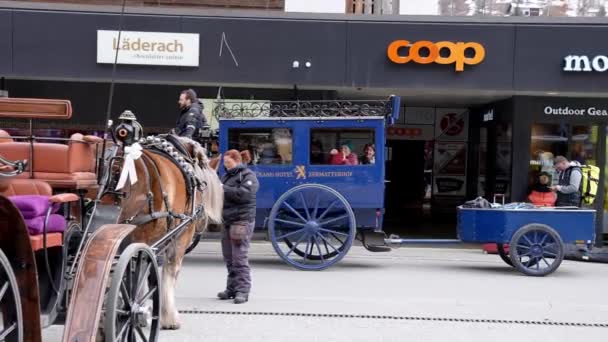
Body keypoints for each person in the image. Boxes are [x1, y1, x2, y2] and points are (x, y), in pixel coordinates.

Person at [218, 150, 259, 304]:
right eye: (225, 164)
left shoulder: (248, 176)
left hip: (241, 221)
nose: (226, 166)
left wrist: (223, 188)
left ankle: (243, 290)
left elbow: (244, 195)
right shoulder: (228, 176)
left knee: (239, 257)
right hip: (228, 220)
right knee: (229, 257)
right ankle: (231, 289)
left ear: (236, 161)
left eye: (228, 163)